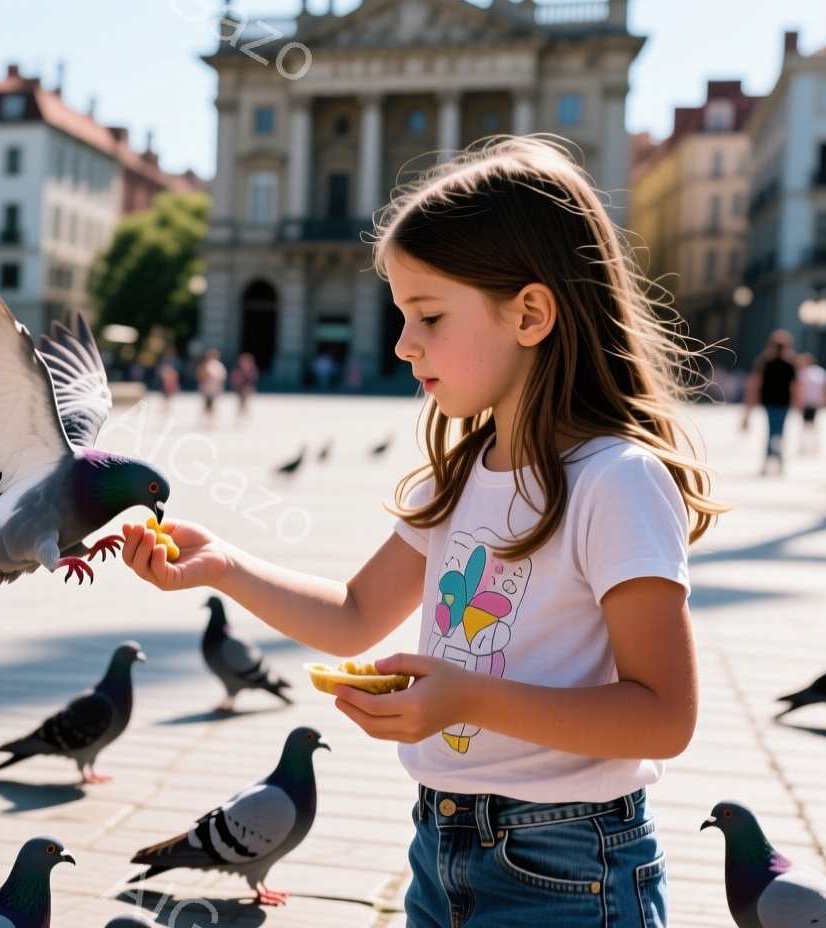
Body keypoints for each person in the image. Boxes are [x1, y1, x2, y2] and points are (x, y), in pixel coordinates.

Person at [118, 137, 722, 927]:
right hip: (438, 843)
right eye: (402, 315)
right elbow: (352, 614)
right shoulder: (460, 474)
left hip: (572, 860)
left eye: (428, 315)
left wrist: (469, 697)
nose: (404, 342)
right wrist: (226, 567)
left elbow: (663, 716)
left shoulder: (617, 480)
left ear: (531, 313)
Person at [742, 330, 798, 475]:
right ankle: (779, 460)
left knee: (771, 430)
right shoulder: (790, 364)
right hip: (783, 402)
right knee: (779, 431)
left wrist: (748, 409)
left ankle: (769, 460)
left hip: (769, 402)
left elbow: (755, 384)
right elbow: (795, 387)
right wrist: (798, 404)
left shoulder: (765, 362)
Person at [793, 352, 826, 455]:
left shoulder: (803, 373)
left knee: (806, 425)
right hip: (814, 402)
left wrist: (797, 402)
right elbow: (824, 389)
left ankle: (806, 445)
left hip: (807, 401)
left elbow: (798, 388)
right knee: (811, 424)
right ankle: (812, 445)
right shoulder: (820, 372)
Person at [195, 347, 227, 428]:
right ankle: (206, 421)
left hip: (212, 388)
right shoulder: (207, 364)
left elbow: (221, 377)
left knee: (210, 405)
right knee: (207, 405)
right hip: (208, 388)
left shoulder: (216, 365)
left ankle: (209, 421)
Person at [230, 352, 259, 417]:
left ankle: (245, 414)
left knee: (246, 401)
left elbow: (253, 377)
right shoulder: (239, 369)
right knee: (241, 401)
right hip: (240, 387)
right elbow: (235, 377)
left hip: (247, 387)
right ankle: (240, 413)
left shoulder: (251, 369)